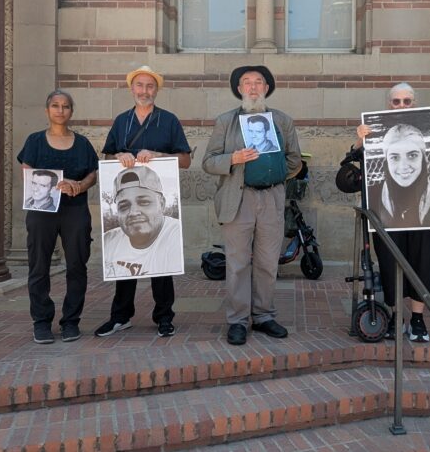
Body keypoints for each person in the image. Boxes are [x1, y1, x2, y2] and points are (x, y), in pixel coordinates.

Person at [202, 65, 302, 346]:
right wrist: (233, 159)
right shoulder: (226, 121)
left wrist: (275, 176)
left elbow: (295, 161)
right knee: (236, 264)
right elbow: (208, 162)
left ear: (267, 88)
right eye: (247, 83)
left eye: (259, 82)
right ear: (239, 89)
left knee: (268, 263)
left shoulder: (282, 121)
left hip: (271, 198)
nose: (253, 87)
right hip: (239, 197)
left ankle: (264, 316)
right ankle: (237, 320)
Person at [95, 65, 192, 338]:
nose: (144, 91)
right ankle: (120, 317)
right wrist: (117, 158)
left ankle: (164, 317)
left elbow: (185, 160)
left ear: (156, 90)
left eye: (150, 86)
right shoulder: (121, 121)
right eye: (139, 86)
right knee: (125, 260)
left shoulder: (169, 120)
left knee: (162, 263)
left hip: (152, 207)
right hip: (127, 206)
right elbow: (105, 160)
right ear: (131, 89)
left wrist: (159, 154)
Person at [355, 82, 430, 342]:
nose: (401, 106)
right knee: (390, 266)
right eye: (396, 101)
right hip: (385, 218)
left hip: (424, 220)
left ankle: (418, 321)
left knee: (423, 265)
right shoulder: (371, 136)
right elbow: (349, 178)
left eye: (406, 101)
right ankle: (396, 317)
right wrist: (359, 143)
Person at [17, 89, 99, 344]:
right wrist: (50, 185)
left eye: (65, 106)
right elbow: (27, 170)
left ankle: (71, 321)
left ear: (71, 112)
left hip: (75, 210)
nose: (60, 110)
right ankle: (41, 322)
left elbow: (92, 174)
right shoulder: (34, 141)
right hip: (42, 211)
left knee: (77, 265)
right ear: (47, 110)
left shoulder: (83, 143)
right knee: (39, 265)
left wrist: (79, 186)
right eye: (55, 105)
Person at [103, 165, 183, 278]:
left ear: (162, 204)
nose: (133, 212)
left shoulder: (176, 237)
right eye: (124, 206)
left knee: (162, 288)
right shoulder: (108, 242)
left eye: (144, 202)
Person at [370, 123, 430, 229]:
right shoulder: (372, 196)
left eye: (412, 155)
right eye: (395, 157)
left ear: (423, 159)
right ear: (386, 161)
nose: (403, 166)